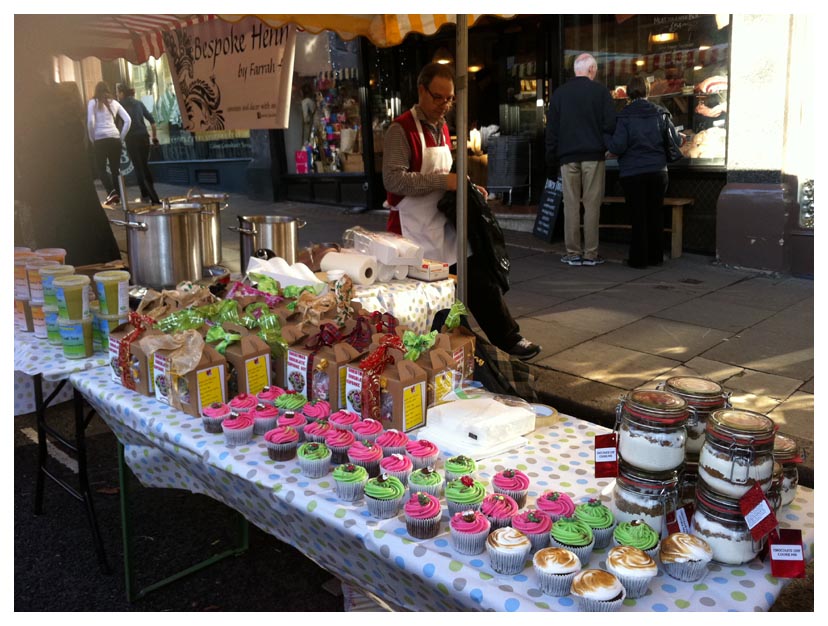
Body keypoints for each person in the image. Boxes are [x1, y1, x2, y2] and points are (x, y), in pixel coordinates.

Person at [382, 63, 541, 360]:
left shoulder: (442, 126)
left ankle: (510, 339)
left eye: (449, 99)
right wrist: (445, 181)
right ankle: (462, 353)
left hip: (444, 224)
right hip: (413, 233)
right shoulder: (400, 129)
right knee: (439, 300)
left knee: (479, 278)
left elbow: (451, 170)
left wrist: (468, 186)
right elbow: (393, 180)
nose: (444, 105)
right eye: (438, 97)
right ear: (421, 91)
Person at [545, 53, 616, 266]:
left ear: (575, 70)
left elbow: (552, 130)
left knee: (571, 204)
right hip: (594, 156)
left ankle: (573, 252)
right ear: (592, 70)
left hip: (567, 157)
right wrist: (605, 145)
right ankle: (591, 254)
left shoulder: (559, 94)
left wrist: (551, 156)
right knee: (592, 204)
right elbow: (610, 124)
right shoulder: (601, 92)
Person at [606, 75, 679, 268]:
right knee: (655, 214)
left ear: (629, 92)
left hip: (633, 173)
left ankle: (639, 260)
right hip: (658, 171)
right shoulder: (661, 112)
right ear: (647, 91)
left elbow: (618, 146)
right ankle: (656, 257)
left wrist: (607, 140)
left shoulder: (624, 115)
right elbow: (675, 141)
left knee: (638, 217)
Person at [116, 84, 161, 204]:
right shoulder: (139, 103)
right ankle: (149, 192)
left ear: (122, 93)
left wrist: (120, 137)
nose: (117, 95)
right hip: (144, 137)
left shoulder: (120, 106)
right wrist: (154, 137)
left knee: (138, 167)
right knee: (144, 165)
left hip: (131, 138)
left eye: (118, 93)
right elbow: (152, 121)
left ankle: (147, 195)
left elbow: (118, 124)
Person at [87, 81, 131, 205]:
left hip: (100, 139)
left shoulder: (93, 103)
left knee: (100, 169)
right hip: (115, 138)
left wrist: (92, 138)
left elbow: (90, 122)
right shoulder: (115, 103)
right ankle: (118, 196)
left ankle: (111, 192)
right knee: (115, 169)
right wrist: (120, 137)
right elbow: (128, 120)